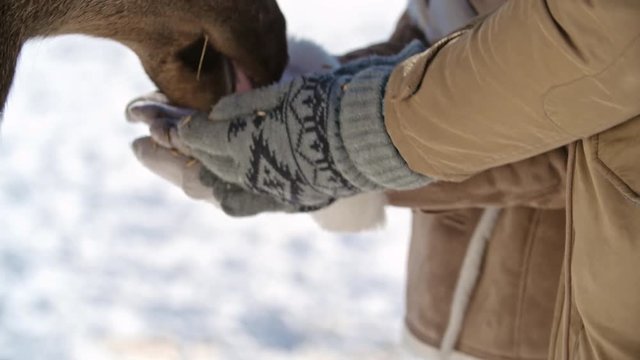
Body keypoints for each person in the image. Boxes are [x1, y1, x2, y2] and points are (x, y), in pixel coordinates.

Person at [130, 0, 640, 359]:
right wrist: (302, 98)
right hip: (439, 316)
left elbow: (575, 139)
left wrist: (336, 147)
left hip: (542, 329)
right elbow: (434, 41)